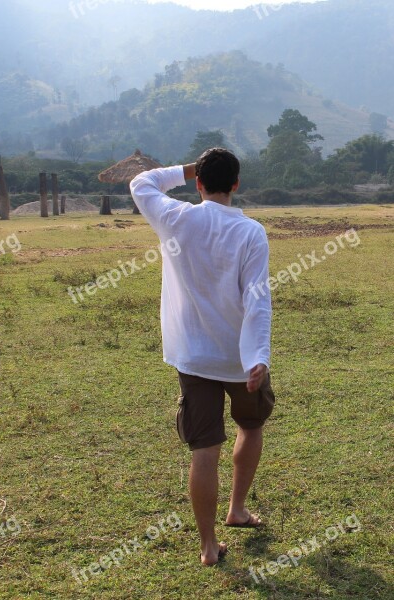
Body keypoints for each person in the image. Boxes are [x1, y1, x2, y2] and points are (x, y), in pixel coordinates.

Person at [130, 148, 275, 566]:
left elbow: (141, 182)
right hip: (240, 358)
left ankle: (209, 546)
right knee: (251, 424)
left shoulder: (175, 218)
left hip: (193, 357)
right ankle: (238, 509)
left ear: (197, 183)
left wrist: (188, 167)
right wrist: (257, 356)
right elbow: (257, 299)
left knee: (204, 450)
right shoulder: (251, 232)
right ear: (236, 184)